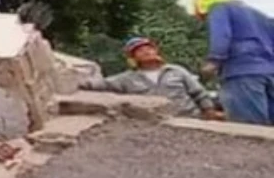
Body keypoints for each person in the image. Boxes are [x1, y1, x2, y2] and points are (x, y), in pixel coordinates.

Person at [79, 36, 220, 119]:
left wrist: (209, 112)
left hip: (190, 118)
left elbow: (199, 93)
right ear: (133, 59)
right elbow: (103, 84)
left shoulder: (176, 70)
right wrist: (78, 82)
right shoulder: (127, 79)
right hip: (156, 123)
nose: (147, 51)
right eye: (140, 50)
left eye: (149, 48)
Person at [196, 0, 274, 125]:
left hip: (241, 72)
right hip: (270, 72)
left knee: (248, 129)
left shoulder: (218, 8)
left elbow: (222, 36)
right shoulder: (260, 16)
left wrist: (213, 61)